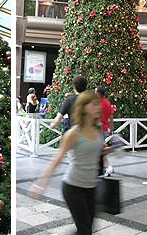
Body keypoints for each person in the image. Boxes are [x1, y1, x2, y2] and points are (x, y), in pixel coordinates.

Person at [29, 90, 110, 235]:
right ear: (84, 107)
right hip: (73, 188)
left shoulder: (97, 129)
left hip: (92, 186)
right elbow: (57, 159)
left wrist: (113, 150)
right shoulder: (73, 133)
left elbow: (100, 151)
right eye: (95, 104)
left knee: (85, 229)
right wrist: (40, 183)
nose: (99, 107)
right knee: (85, 230)